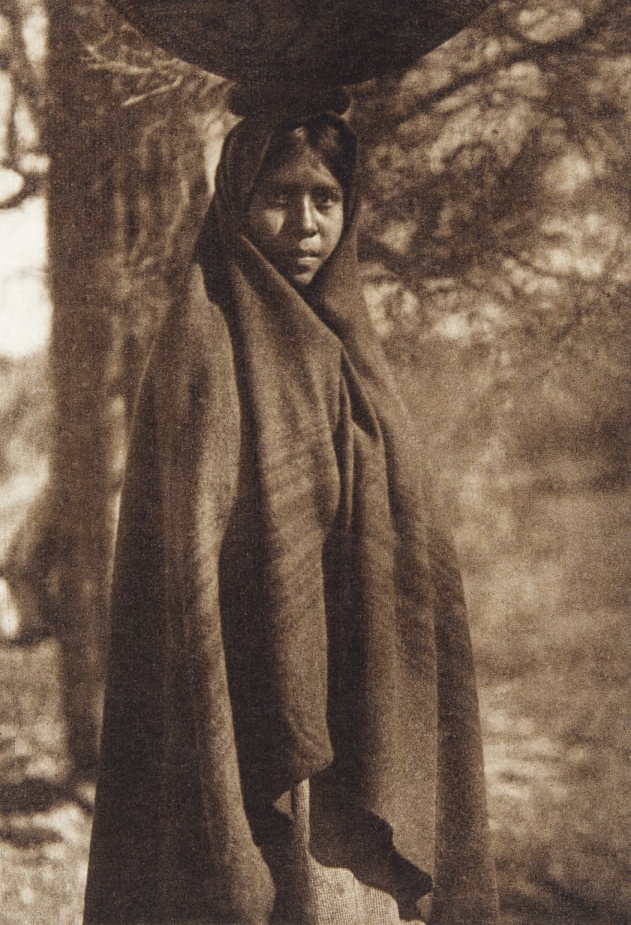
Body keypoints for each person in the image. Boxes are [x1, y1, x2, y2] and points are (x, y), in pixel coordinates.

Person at [82, 98, 498, 925]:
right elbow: (196, 562)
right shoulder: (203, 342)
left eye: (326, 198)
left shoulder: (354, 352)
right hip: (243, 708)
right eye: (279, 196)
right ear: (235, 201)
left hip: (355, 698)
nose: (306, 223)